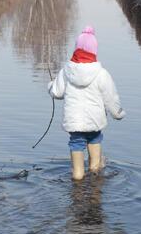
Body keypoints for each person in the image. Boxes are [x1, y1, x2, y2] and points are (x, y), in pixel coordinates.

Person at [48, 26, 126, 180]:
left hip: (74, 123)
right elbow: (111, 98)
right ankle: (94, 185)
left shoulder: (66, 71)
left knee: (76, 146)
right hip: (95, 121)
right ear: (94, 50)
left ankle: (77, 185)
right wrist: (118, 114)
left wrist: (50, 86)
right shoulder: (102, 73)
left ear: (76, 48)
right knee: (95, 149)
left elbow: (56, 92)